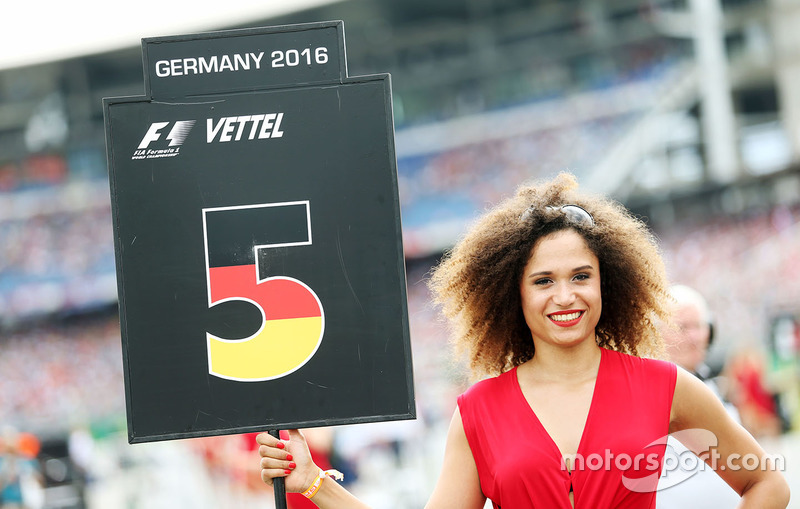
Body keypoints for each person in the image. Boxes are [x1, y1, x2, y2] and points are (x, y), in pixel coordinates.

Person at [255, 173, 790, 508]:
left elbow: (768, 485)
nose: (566, 297)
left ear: (610, 283)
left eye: (582, 276)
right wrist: (312, 482)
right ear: (511, 295)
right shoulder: (478, 414)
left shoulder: (667, 386)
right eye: (543, 281)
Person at [656, 284, 741, 508]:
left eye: (699, 326)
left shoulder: (717, 387)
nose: (693, 336)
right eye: (682, 327)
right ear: (657, 333)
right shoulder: (645, 391)